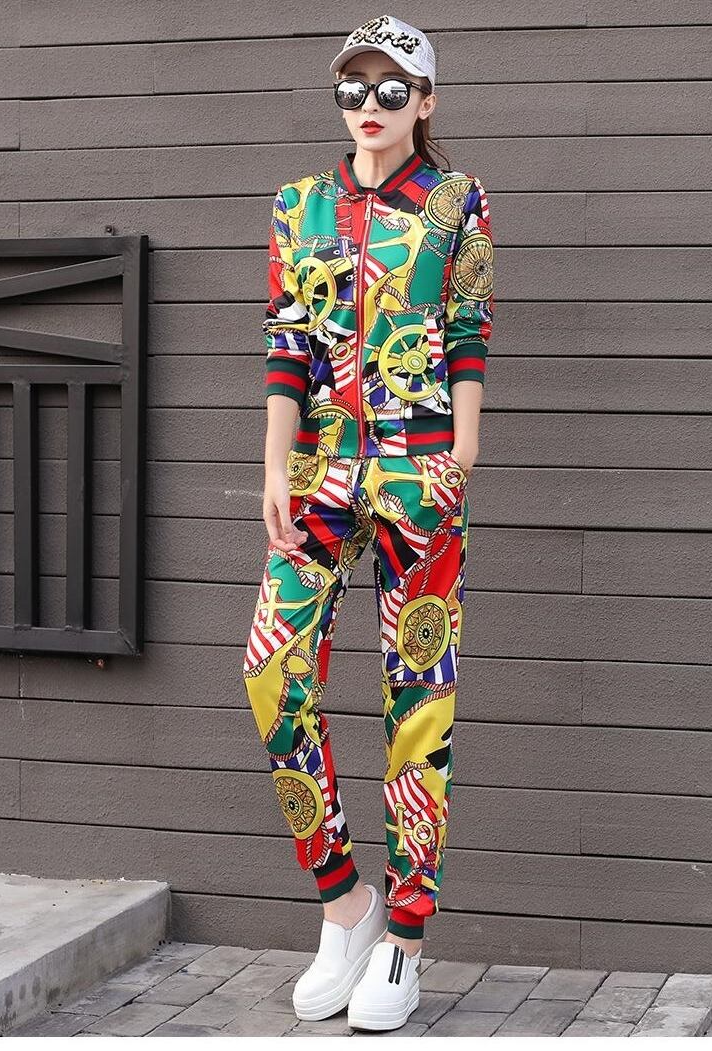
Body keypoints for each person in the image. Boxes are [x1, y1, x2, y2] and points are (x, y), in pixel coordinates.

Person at [242, 13, 494, 1031]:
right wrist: (273, 464)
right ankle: (347, 902)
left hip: (419, 473)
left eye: (393, 89)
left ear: (425, 102)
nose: (371, 106)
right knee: (271, 675)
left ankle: (407, 937)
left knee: (417, 706)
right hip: (318, 473)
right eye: (354, 88)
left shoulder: (456, 201)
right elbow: (287, 343)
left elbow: (469, 330)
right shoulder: (297, 204)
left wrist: (460, 456)